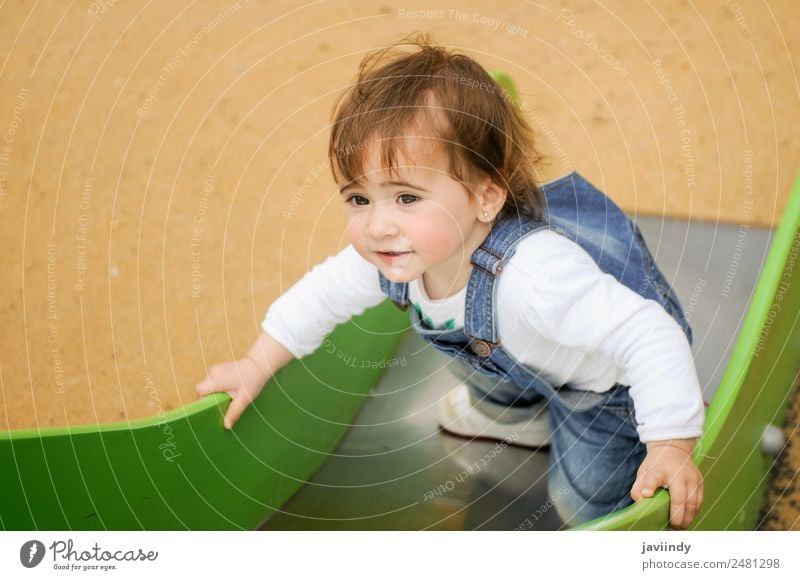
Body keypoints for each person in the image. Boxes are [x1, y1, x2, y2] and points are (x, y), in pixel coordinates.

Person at [195, 33, 705, 529]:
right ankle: (516, 415)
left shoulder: (535, 278)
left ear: (486, 198)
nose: (378, 225)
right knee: (472, 352)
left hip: (602, 387)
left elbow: (649, 334)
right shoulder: (393, 254)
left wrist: (671, 444)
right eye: (359, 199)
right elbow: (321, 295)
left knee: (583, 499)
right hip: (523, 361)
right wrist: (256, 362)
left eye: (407, 198)